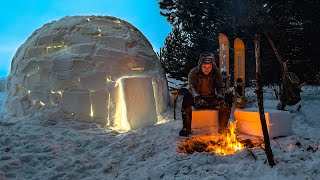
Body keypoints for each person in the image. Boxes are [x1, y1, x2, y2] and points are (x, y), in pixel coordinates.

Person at [179, 52, 231, 136]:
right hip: (197, 99)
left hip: (212, 99)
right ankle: (186, 128)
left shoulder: (216, 73)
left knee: (228, 97)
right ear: (200, 65)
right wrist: (197, 98)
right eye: (204, 66)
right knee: (187, 96)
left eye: (209, 67)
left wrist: (219, 98)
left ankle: (223, 127)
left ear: (212, 66)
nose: (207, 69)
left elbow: (220, 87)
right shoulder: (193, 72)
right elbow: (192, 86)